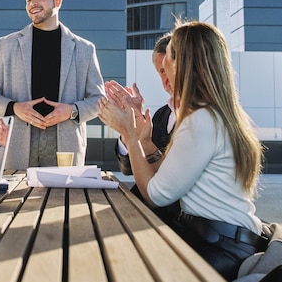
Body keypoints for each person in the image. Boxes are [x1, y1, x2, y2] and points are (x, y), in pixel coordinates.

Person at [98, 20, 266, 281]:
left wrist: (130, 134)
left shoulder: (201, 120)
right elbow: (165, 174)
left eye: (171, 54)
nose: (164, 63)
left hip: (219, 247)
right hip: (222, 240)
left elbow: (156, 195)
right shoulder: (213, 114)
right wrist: (143, 138)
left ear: (183, 63)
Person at [0, 0, 105, 169]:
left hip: (65, 144)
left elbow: (99, 99)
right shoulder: (6, 45)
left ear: (57, 1)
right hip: (15, 141)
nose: (33, 3)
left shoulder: (85, 49)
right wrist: (15, 107)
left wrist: (72, 111)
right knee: (14, 199)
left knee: (61, 199)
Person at [115, 33, 180, 223]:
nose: (167, 77)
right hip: (147, 212)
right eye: (161, 71)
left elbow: (163, 186)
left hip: (171, 222)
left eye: (170, 69)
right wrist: (130, 127)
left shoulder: (199, 118)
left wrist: (132, 131)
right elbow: (128, 169)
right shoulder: (160, 116)